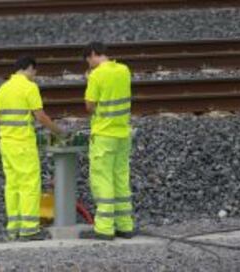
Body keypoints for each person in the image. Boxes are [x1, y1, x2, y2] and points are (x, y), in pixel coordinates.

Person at [0, 56, 64, 241]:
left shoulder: (3, 88)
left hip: (6, 145)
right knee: (30, 185)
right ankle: (30, 229)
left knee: (12, 186)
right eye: (34, 72)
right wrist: (58, 131)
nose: (35, 75)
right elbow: (40, 116)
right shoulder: (29, 87)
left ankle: (13, 228)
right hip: (23, 144)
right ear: (29, 68)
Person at [80, 42, 134, 240]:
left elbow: (89, 106)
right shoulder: (124, 70)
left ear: (93, 54)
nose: (90, 64)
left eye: (89, 60)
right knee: (121, 178)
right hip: (123, 134)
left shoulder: (96, 75)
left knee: (103, 180)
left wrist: (89, 80)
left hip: (104, 136)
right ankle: (125, 225)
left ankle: (104, 228)